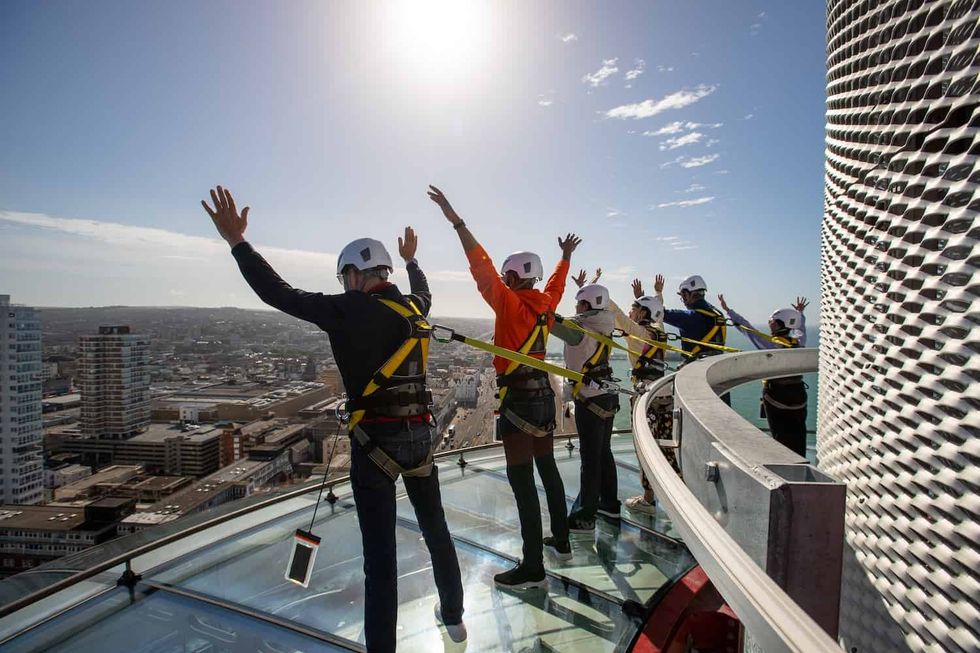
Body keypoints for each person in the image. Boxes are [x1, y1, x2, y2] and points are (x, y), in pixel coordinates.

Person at [201, 186, 464, 652]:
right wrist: (411, 261)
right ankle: (454, 617)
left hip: (374, 445)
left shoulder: (348, 310)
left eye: (346, 277)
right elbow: (423, 291)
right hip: (420, 438)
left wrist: (238, 243)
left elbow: (279, 293)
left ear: (355, 275)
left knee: (380, 560)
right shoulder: (413, 308)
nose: (345, 285)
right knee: (436, 530)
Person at [428, 185, 578, 589]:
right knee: (548, 472)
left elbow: (481, 266)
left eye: (509, 276)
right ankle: (561, 541)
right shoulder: (545, 305)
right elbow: (558, 285)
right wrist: (565, 257)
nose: (504, 280)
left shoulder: (511, 306)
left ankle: (533, 566)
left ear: (515, 277)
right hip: (545, 398)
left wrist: (456, 221)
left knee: (523, 484)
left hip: (519, 404)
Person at [552, 273, 620, 534]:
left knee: (590, 459)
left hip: (590, 400)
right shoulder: (604, 324)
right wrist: (585, 289)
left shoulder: (578, 330)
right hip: (606, 396)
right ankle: (609, 504)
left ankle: (584, 516)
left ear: (587, 305)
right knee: (604, 453)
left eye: (580, 303)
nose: (576, 307)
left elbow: (548, 322)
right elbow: (588, 313)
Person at [605, 276, 670, 516]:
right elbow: (658, 316)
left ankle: (649, 499)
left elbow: (618, 315)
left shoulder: (639, 333)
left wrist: (592, 292)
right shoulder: (659, 331)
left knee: (645, 447)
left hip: (645, 398)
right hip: (664, 394)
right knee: (665, 446)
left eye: (636, 308)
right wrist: (656, 295)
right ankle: (673, 494)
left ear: (643, 312)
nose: (631, 312)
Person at [718, 294, 810, 456]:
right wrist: (800, 314)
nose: (770, 325)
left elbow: (748, 330)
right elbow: (800, 328)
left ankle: (786, 468)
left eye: (772, 322)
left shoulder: (771, 344)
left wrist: (728, 311)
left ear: (781, 324)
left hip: (776, 395)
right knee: (798, 434)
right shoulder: (799, 343)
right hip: (798, 394)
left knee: (780, 438)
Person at [641, 273, 730, 403]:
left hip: (697, 376)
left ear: (688, 293)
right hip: (719, 374)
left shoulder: (691, 317)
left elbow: (658, 313)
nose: (683, 299)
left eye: (683, 295)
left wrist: (656, 293)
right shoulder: (717, 314)